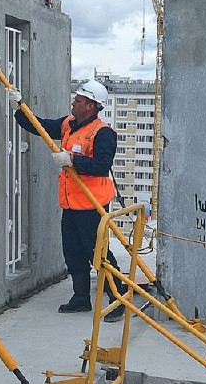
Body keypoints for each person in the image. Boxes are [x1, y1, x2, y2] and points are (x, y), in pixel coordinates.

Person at [9, 79, 126, 322]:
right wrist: (19, 107)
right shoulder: (68, 125)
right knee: (73, 253)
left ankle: (119, 299)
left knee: (99, 254)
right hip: (71, 204)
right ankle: (81, 297)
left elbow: (102, 166)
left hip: (93, 206)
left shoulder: (103, 133)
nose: (74, 102)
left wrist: (72, 160)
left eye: (80, 100)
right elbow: (40, 126)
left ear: (92, 106)